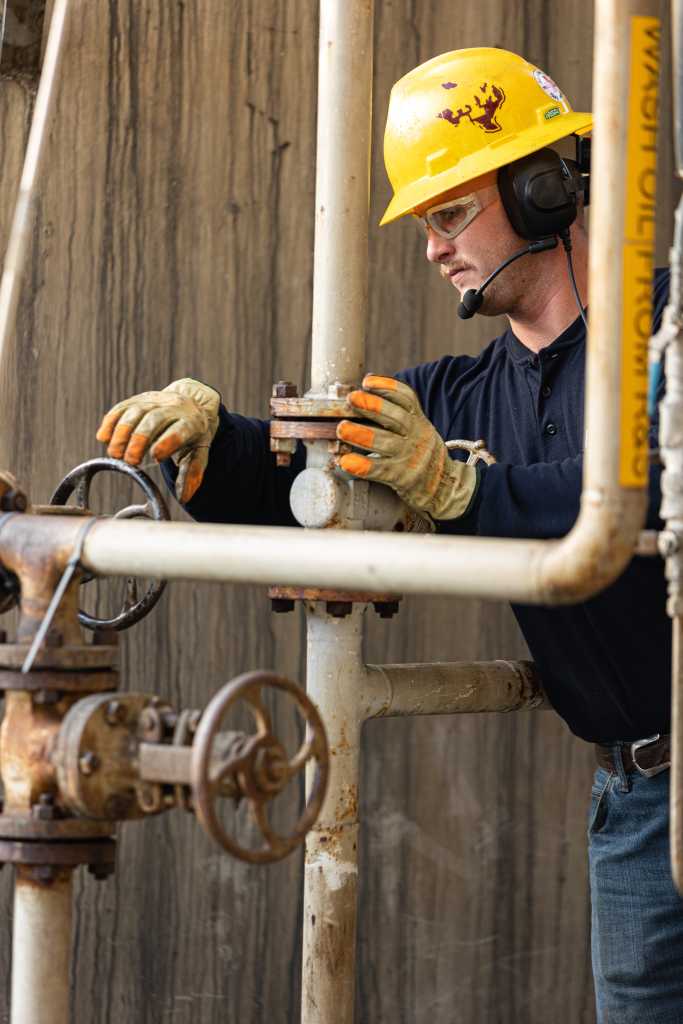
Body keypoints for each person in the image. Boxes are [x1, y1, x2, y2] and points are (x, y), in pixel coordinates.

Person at [96, 48, 678, 1022]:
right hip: (628, 802)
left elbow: (646, 490)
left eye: (446, 212)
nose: (430, 246)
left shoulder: (662, 339)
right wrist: (210, 438)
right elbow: (314, 475)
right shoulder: (459, 396)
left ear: (542, 191)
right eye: (421, 222)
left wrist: (458, 487)